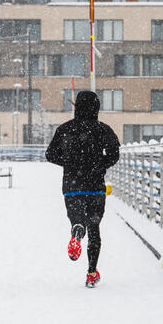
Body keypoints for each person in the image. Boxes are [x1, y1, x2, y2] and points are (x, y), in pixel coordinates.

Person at [45, 90, 120, 288]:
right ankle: (91, 272)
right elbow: (114, 154)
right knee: (95, 228)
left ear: (77, 106)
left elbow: (50, 154)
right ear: (96, 106)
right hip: (95, 187)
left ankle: (77, 227)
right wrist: (99, 164)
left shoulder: (65, 129)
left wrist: (70, 164)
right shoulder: (103, 129)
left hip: (72, 187)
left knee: (78, 218)